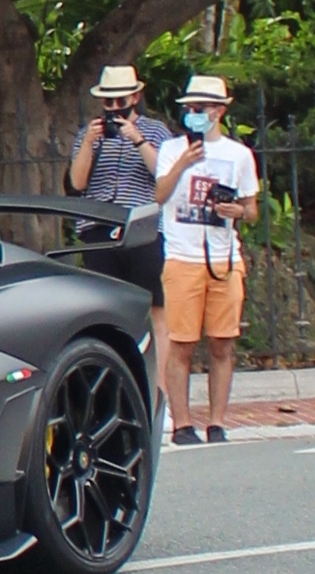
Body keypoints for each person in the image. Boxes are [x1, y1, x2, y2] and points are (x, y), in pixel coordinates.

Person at [152, 74, 260, 443]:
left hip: (223, 258)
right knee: (181, 343)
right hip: (183, 257)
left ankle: (217, 420)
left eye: (201, 108)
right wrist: (183, 162)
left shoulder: (238, 155)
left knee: (222, 342)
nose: (194, 114)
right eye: (189, 109)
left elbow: (251, 209)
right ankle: (182, 423)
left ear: (218, 111)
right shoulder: (170, 150)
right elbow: (160, 194)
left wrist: (237, 212)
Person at [67, 65, 174, 362]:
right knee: (106, 309)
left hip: (143, 228)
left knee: (154, 309)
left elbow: (163, 175)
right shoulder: (91, 132)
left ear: (135, 97)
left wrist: (137, 139)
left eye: (120, 101)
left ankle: (158, 394)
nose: (115, 108)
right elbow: (77, 183)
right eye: (108, 102)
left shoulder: (155, 131)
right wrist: (89, 142)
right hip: (99, 227)